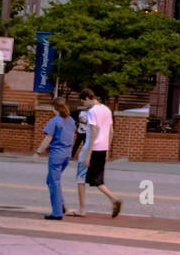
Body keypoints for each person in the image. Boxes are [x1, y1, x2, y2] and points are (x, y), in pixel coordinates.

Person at [76, 88, 122, 218]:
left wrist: (87, 155)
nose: (83, 105)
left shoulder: (92, 112)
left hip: (91, 149)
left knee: (80, 179)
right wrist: (107, 149)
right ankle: (113, 199)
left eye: (83, 102)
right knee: (97, 180)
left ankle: (82, 209)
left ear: (87, 98)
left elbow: (92, 134)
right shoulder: (106, 109)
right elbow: (111, 131)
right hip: (102, 149)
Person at [35, 99, 76, 221]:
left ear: (54, 107)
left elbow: (48, 138)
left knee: (54, 182)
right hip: (67, 153)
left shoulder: (54, 121)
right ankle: (61, 205)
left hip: (57, 154)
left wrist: (38, 152)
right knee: (51, 180)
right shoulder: (71, 120)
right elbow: (73, 136)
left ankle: (57, 212)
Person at [68, 97, 93, 217]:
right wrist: (85, 120)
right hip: (81, 132)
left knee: (84, 146)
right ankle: (71, 156)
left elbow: (86, 121)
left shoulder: (90, 114)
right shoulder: (83, 113)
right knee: (76, 145)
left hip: (86, 133)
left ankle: (82, 209)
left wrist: (86, 121)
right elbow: (82, 120)